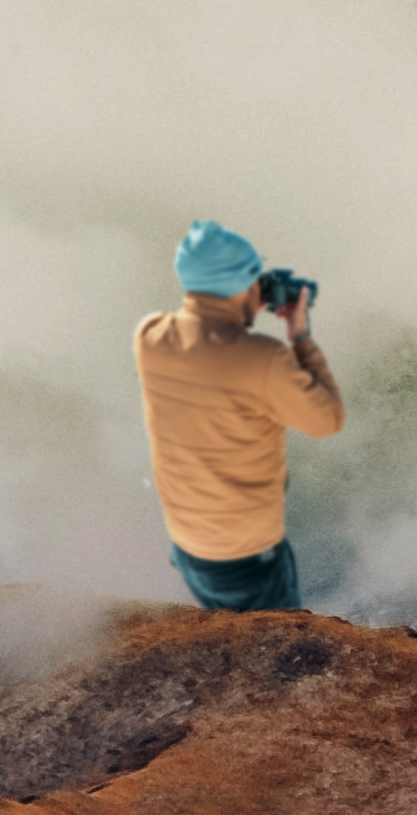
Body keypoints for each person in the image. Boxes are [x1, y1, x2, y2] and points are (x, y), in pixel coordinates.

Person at [134, 218, 343, 611]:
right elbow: (327, 419)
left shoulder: (151, 336)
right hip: (247, 562)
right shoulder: (264, 358)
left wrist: (243, 298)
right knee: (280, 653)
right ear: (240, 283)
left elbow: (207, 335)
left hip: (188, 548)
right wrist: (300, 337)